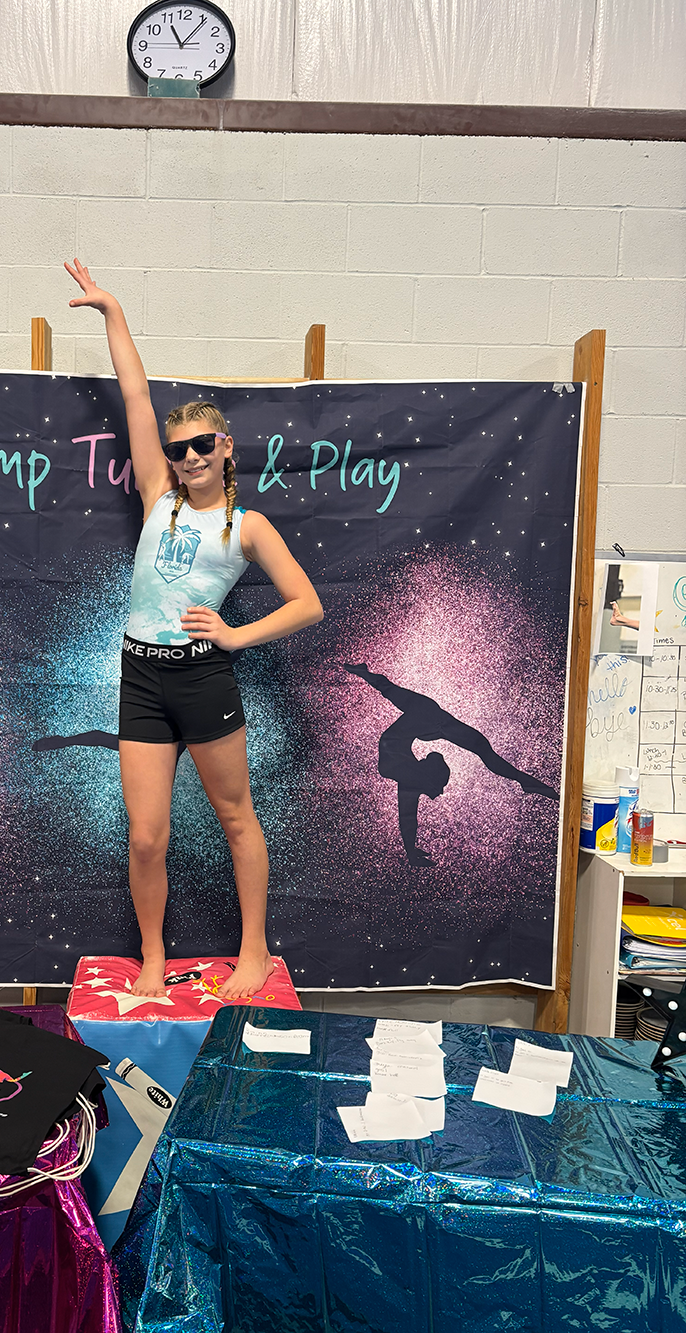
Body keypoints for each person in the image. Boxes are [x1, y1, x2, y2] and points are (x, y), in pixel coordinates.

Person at [65, 258, 323, 999]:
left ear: (226, 447)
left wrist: (236, 637)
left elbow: (307, 601)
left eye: (201, 445)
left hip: (202, 678)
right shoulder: (156, 496)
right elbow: (137, 396)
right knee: (146, 835)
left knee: (237, 818)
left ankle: (254, 951)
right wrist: (113, 311)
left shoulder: (247, 526)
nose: (187, 457)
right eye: (178, 450)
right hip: (142, 677)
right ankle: (151, 954)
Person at [343, 663, 559, 867]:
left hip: (411, 746)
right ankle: (527, 782)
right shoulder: (420, 730)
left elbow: (386, 687)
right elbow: (407, 811)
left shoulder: (418, 730)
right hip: (413, 745)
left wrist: (365, 674)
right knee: (476, 746)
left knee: (476, 746)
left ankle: (526, 782)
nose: (439, 794)